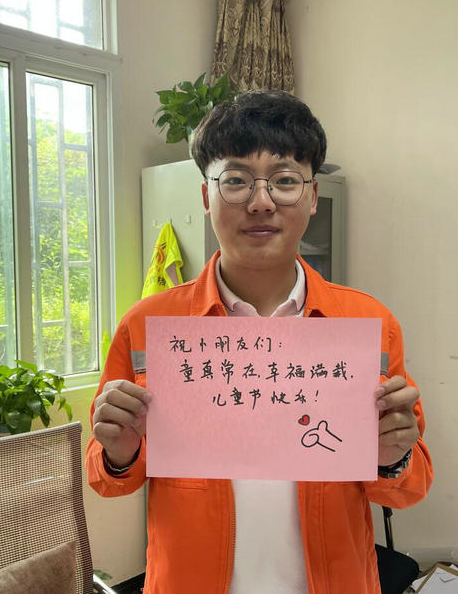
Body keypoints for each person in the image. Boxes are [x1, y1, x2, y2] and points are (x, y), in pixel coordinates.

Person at [86, 90, 433, 593]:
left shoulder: (369, 323)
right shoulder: (148, 324)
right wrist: (119, 453)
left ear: (312, 196)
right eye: (236, 181)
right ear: (206, 197)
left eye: (285, 181)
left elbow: (409, 487)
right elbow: (106, 478)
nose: (261, 202)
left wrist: (392, 456)